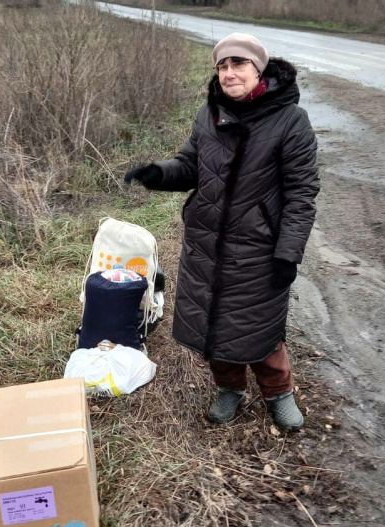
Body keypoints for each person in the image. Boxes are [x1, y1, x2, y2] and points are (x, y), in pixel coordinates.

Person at [125, 33, 320, 431]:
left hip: (259, 247)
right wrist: (158, 174)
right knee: (214, 322)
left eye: (239, 64)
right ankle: (229, 389)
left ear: (258, 69)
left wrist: (289, 252)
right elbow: (190, 165)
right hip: (207, 243)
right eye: (223, 66)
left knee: (259, 326)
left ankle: (279, 394)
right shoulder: (208, 114)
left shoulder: (290, 121)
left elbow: (302, 193)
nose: (230, 73)